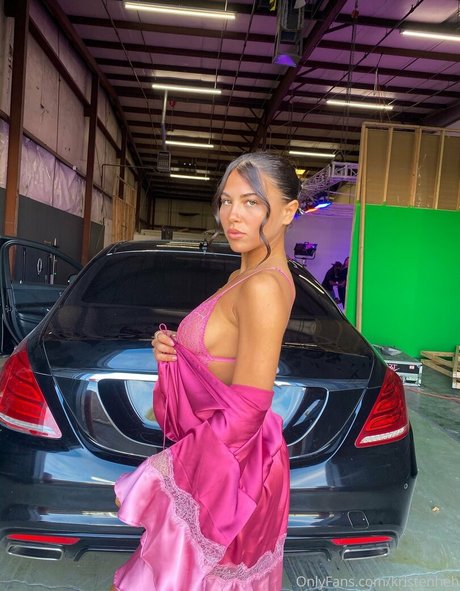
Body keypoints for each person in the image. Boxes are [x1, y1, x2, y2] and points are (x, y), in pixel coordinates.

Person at [110, 152, 299, 591]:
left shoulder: (264, 287)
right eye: (226, 201)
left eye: (252, 202)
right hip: (229, 463)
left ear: (289, 211)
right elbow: (220, 361)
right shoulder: (241, 277)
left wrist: (165, 474)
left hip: (234, 476)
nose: (233, 215)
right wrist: (176, 352)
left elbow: (248, 409)